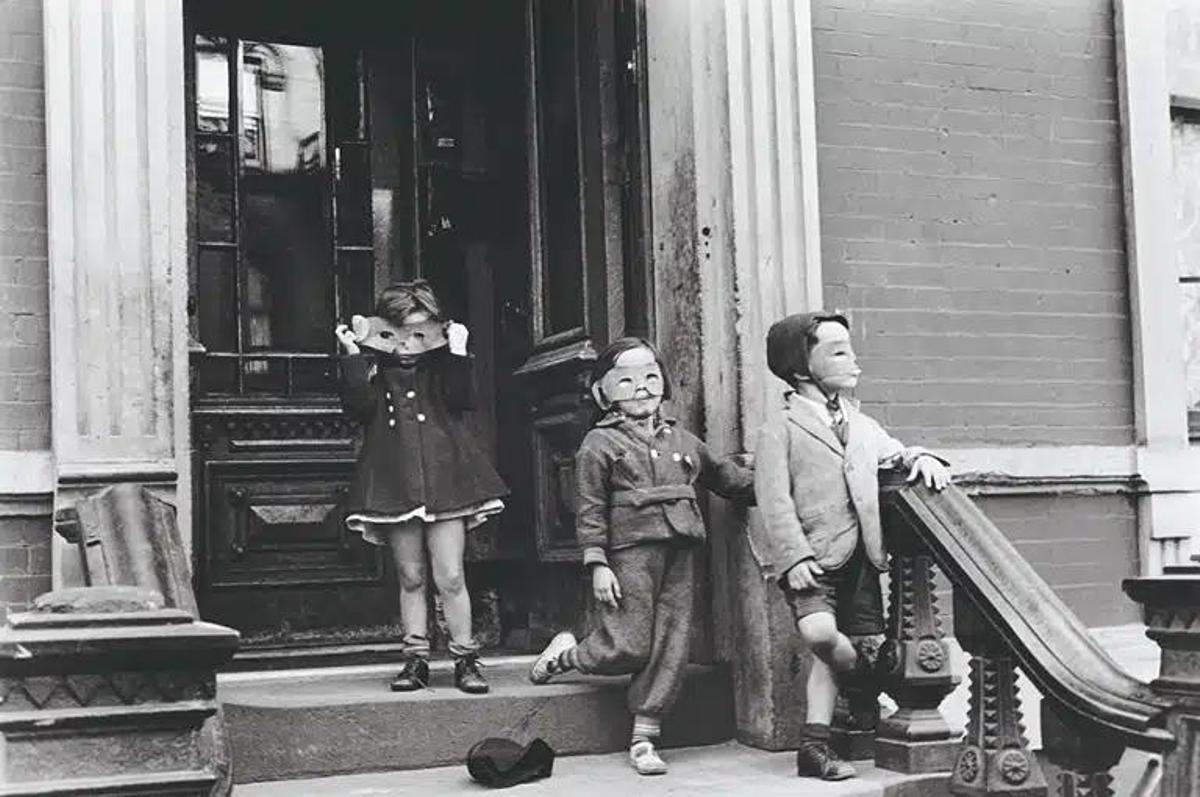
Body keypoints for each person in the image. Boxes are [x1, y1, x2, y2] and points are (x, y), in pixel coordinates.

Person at [528, 337, 754, 776]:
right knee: (630, 643)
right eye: (627, 381)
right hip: (629, 554)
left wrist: (780, 481)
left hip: (681, 549)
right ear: (603, 392)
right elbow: (590, 509)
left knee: (671, 642)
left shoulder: (682, 439)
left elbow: (726, 478)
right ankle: (569, 655)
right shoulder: (599, 444)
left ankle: (645, 736)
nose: (642, 388)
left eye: (650, 377)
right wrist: (598, 563)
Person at [751, 312, 950, 780]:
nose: (853, 360)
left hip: (862, 557)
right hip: (813, 558)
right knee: (821, 635)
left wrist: (921, 456)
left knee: (838, 649)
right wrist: (794, 557)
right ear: (801, 368)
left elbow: (893, 452)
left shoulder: (861, 423)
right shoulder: (780, 427)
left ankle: (814, 747)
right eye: (838, 352)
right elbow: (773, 500)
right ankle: (862, 681)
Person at [335, 279, 508, 694]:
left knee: (450, 574)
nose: (407, 346)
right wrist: (353, 355)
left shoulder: (442, 366)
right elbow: (358, 408)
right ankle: (416, 659)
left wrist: (458, 351)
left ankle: (465, 657)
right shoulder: (376, 370)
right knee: (410, 575)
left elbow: (462, 399)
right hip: (395, 483)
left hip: (446, 481)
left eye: (418, 333)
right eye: (397, 333)